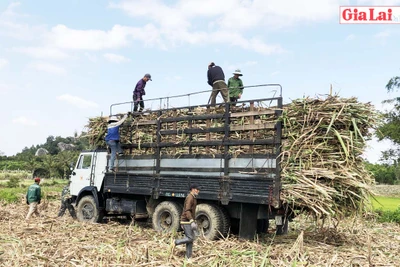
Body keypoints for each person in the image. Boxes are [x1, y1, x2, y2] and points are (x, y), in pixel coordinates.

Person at [174, 183, 200, 259]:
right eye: (197, 189)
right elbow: (187, 210)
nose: (198, 191)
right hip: (186, 221)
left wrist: (193, 221)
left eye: (198, 190)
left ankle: (188, 257)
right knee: (190, 238)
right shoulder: (190, 198)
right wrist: (191, 221)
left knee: (190, 240)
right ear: (192, 189)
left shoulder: (193, 197)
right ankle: (176, 242)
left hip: (189, 221)